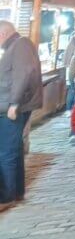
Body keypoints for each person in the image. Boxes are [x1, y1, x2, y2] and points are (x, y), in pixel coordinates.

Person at [0, 21, 42, 210]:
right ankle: (16, 192)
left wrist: (14, 104)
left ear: (3, 33)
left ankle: (7, 196)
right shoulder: (18, 45)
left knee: (6, 152)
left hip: (12, 108)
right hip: (13, 106)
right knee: (13, 150)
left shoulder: (20, 45)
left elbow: (23, 74)